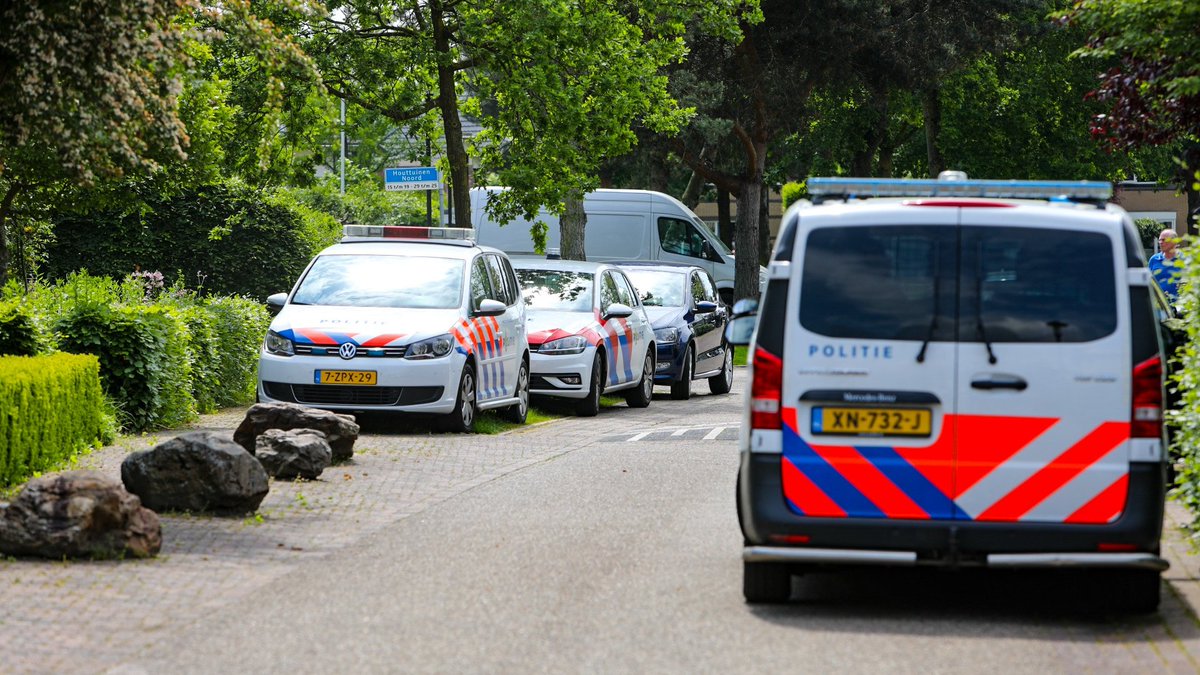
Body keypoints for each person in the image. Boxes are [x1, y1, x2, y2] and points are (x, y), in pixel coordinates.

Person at [1149, 228, 1182, 300]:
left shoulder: (1184, 259)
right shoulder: (1154, 259)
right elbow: (1149, 283)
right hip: (1159, 306)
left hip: (1180, 306)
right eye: (1160, 240)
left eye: (1164, 240)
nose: (1160, 242)